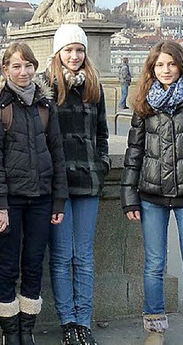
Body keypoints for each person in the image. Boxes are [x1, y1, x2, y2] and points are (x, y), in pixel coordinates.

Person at [120, 40, 183, 345]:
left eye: (171, 64)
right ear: (152, 68)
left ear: (182, 65)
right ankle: (155, 327)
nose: (165, 70)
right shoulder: (144, 103)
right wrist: (128, 196)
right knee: (153, 264)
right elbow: (133, 152)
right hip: (151, 196)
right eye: (159, 65)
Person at [0, 42, 67, 345]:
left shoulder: (46, 106)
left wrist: (59, 199)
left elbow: (57, 154)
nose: (23, 72)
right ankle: (10, 333)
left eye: (28, 65)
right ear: (5, 69)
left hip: (42, 198)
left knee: (33, 262)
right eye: (16, 66)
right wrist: (0, 205)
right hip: (10, 200)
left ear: (35, 68)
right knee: (7, 264)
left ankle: (27, 329)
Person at [46, 24, 110, 345]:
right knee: (60, 255)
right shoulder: (46, 87)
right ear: (58, 53)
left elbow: (102, 134)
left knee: (83, 255)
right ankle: (67, 322)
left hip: (88, 180)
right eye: (69, 50)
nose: (74, 55)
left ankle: (83, 321)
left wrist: (102, 163)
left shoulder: (94, 87)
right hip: (58, 184)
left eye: (79, 50)